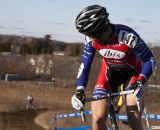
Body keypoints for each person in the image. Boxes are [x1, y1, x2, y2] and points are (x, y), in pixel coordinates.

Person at [71, 4, 156, 130]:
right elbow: (85, 65)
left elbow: (150, 59)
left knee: (133, 117)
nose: (91, 40)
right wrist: (79, 90)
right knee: (97, 118)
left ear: (101, 30)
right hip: (109, 74)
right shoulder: (90, 39)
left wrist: (140, 82)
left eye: (92, 35)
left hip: (133, 75)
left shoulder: (127, 36)